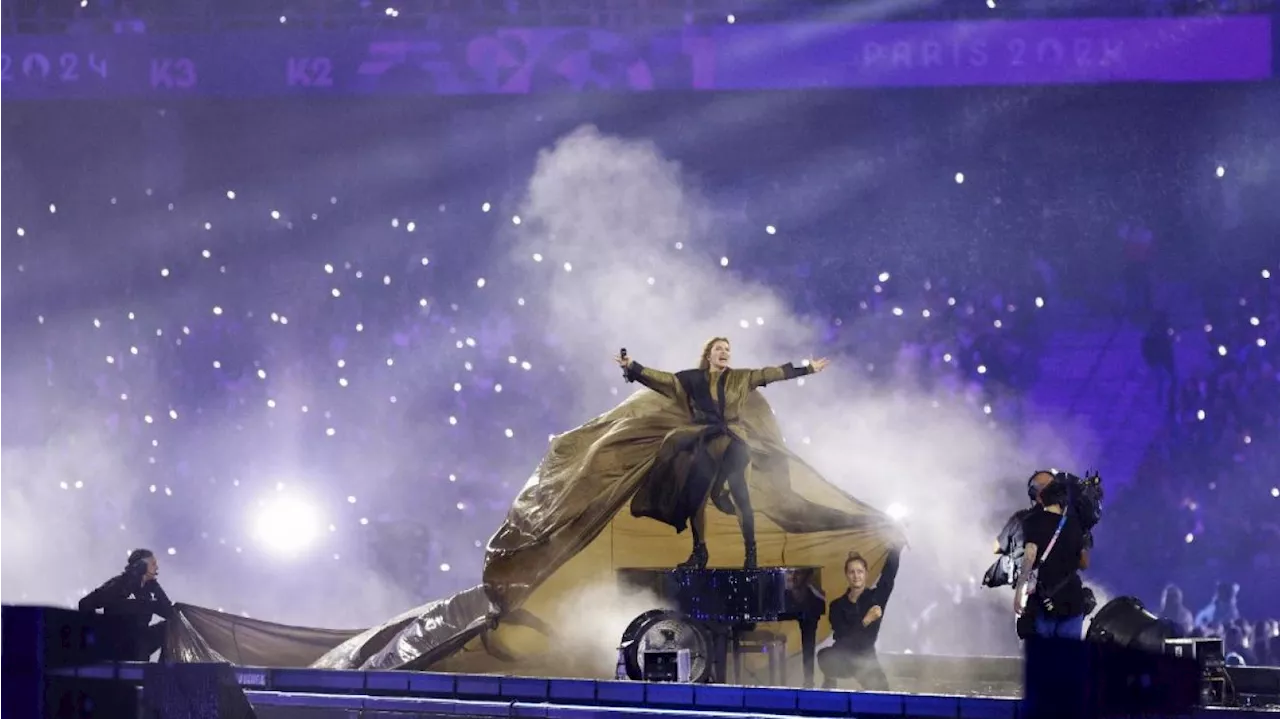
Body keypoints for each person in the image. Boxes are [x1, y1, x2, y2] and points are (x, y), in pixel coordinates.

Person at [614, 337, 830, 569]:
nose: (725, 352)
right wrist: (632, 367)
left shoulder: (742, 377)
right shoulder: (691, 379)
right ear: (709, 355)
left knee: (740, 492)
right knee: (696, 496)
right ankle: (700, 552)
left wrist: (807, 368)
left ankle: (751, 552)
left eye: (727, 349)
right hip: (706, 441)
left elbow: (771, 373)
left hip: (735, 441)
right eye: (719, 349)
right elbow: (662, 379)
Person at [1014, 475, 1090, 640]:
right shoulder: (1074, 526)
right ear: (1062, 501)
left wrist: (1019, 591)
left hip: (1043, 600)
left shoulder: (1032, 522)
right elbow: (1084, 564)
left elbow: (1029, 556)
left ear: (1042, 499)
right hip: (1072, 600)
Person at [818, 545, 902, 690]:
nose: (856, 576)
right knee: (824, 656)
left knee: (884, 696)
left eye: (860, 572)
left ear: (866, 574)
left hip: (866, 658)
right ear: (846, 575)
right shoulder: (837, 606)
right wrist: (866, 620)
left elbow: (888, 576)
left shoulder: (875, 598)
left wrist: (897, 545)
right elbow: (845, 639)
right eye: (852, 572)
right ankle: (830, 681)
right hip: (843, 657)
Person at [78, 548, 174, 661]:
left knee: (172, 626)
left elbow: (170, 614)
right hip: (118, 642)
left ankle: (163, 672)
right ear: (141, 565)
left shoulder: (149, 591)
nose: (157, 568)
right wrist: (95, 637)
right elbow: (85, 604)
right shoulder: (120, 584)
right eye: (153, 564)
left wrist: (158, 590)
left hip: (140, 643)